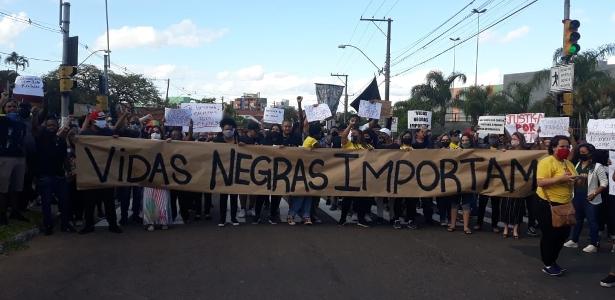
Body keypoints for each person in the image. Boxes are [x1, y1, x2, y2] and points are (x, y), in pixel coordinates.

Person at [535, 135, 578, 276]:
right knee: (550, 235)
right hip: (548, 204)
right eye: (562, 146)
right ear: (553, 147)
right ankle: (548, 263)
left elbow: (573, 179)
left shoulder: (568, 163)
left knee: (563, 234)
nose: (565, 149)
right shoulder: (547, 162)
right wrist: (561, 178)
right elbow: (540, 183)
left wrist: (579, 179)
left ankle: (553, 261)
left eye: (567, 146)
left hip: (565, 204)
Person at [78, 111, 122, 234]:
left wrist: (116, 140)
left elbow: (116, 136)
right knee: (89, 202)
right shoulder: (86, 134)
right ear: (93, 121)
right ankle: (88, 225)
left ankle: (113, 224)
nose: (102, 121)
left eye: (103, 118)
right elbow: (78, 139)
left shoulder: (107, 133)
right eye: (100, 119)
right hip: (90, 173)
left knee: (109, 201)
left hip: (106, 172)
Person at [563, 143, 608, 253]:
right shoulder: (578, 164)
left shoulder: (597, 166)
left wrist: (594, 194)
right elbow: (574, 179)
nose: (581, 154)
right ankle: (574, 240)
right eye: (580, 152)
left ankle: (594, 244)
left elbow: (604, 183)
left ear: (590, 153)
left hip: (590, 198)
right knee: (577, 220)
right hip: (577, 196)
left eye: (584, 152)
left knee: (592, 221)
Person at [34, 117, 75, 235]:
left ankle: (65, 224)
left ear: (57, 126)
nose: (51, 127)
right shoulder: (41, 138)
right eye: (49, 125)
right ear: (45, 127)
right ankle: (48, 226)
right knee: (46, 202)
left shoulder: (61, 141)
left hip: (59, 176)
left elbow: (64, 158)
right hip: (45, 175)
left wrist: (68, 171)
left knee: (64, 202)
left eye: (53, 125)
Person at [0, 99, 29, 225]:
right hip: (5, 158)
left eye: (14, 106)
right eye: (8, 106)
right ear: (4, 109)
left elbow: (23, 141)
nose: (11, 108)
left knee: (16, 187)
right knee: (3, 188)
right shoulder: (2, 121)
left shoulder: (21, 123)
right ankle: (2, 215)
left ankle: (15, 212)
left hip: (20, 158)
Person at [337, 117, 370, 228]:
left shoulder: (366, 147)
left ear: (361, 136)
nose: (354, 136)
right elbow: (343, 137)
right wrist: (350, 125)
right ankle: (343, 219)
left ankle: (361, 219)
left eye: (357, 134)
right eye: (353, 134)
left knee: (362, 199)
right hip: (349, 176)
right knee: (347, 198)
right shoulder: (348, 144)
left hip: (362, 176)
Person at [500, 132, 529, 239]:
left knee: (518, 208)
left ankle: (516, 229)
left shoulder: (526, 152)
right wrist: (503, 153)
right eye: (512, 138)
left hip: (520, 184)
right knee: (506, 206)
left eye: (515, 138)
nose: (513, 140)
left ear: (520, 140)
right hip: (507, 183)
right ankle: (506, 228)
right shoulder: (507, 150)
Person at [142, 132, 173, 231]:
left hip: (162, 179)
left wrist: (170, 144)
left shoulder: (165, 150)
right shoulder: (146, 151)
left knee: (162, 201)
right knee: (150, 201)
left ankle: (163, 221)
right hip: (149, 179)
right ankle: (151, 222)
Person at [215, 117, 240, 227]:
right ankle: (222, 218)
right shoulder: (217, 141)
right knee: (223, 197)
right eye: (226, 129)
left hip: (235, 172)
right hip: (222, 172)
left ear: (234, 129)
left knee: (234, 197)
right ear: (222, 129)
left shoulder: (239, 140)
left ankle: (234, 218)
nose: (228, 131)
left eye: (230, 129)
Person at [448, 133, 474, 235]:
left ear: (470, 141)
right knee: (454, 203)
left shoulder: (476, 151)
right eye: (463, 140)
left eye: (466, 140)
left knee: (466, 204)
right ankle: (453, 225)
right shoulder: (456, 151)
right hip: (456, 180)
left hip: (468, 181)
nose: (465, 142)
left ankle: (466, 227)